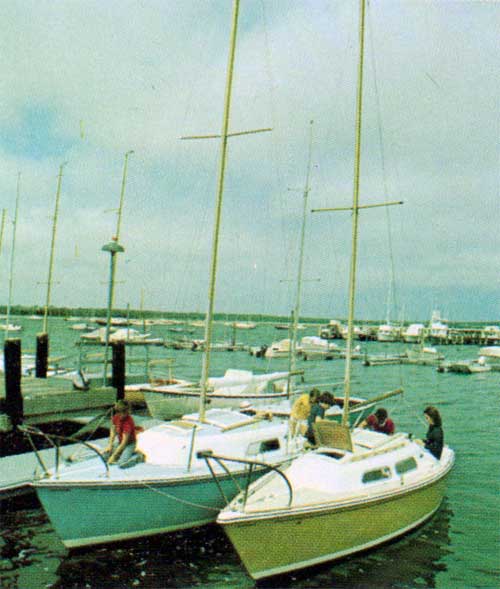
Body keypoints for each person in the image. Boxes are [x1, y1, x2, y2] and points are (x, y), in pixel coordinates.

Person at [104, 400, 139, 467]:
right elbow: (113, 430)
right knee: (105, 456)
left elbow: (124, 442)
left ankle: (138, 458)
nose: (122, 415)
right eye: (120, 412)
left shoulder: (128, 422)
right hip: (120, 443)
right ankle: (127, 453)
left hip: (129, 444)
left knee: (122, 463)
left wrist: (114, 456)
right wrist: (110, 445)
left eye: (124, 412)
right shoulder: (116, 417)